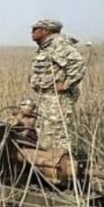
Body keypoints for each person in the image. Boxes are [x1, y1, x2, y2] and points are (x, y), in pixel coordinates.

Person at [29, 19, 86, 152]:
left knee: (59, 133)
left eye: (35, 29)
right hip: (46, 97)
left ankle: (66, 165)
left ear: (46, 31)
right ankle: (50, 165)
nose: (31, 32)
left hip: (58, 99)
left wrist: (66, 84)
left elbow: (77, 64)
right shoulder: (47, 46)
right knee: (47, 133)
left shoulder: (59, 44)